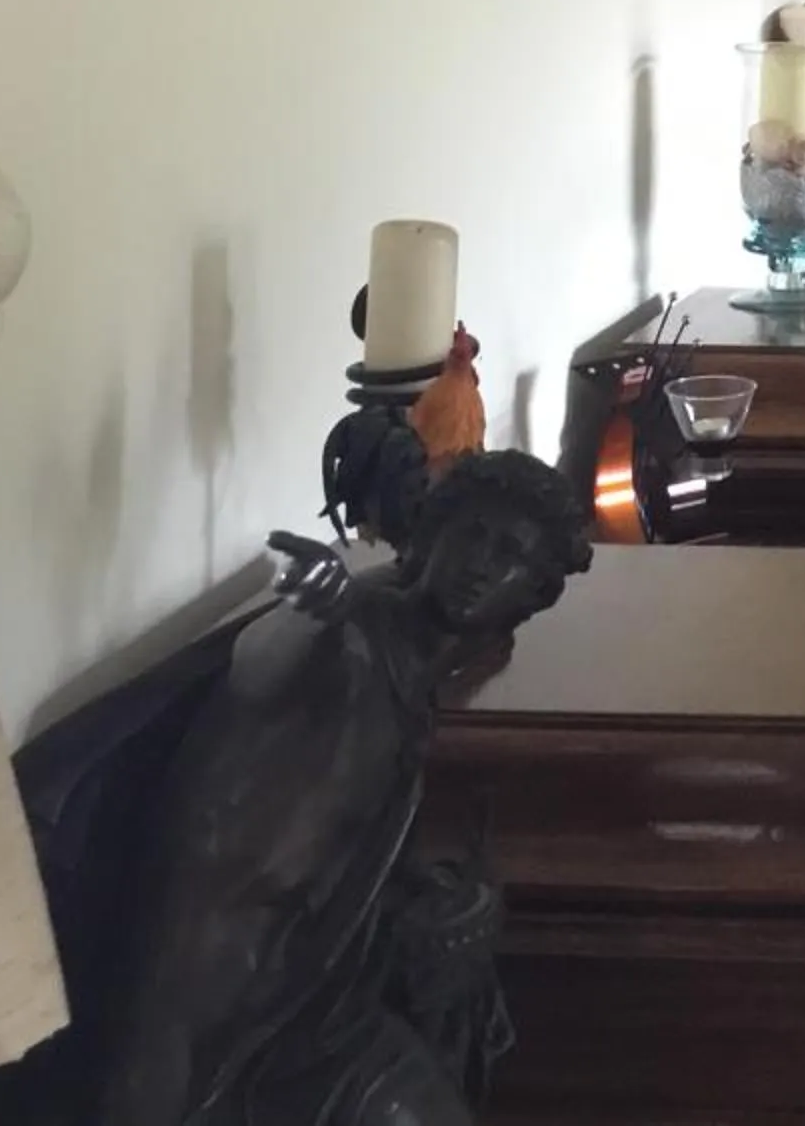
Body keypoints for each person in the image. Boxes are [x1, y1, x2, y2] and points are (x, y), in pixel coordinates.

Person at [96, 451, 595, 1126]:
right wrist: (311, 611)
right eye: (472, 533)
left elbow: (338, 840)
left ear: (530, 597)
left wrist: (426, 894)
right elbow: (263, 664)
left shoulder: (417, 673)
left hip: (321, 1006)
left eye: (509, 554)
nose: (482, 562)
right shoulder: (355, 638)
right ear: (428, 535)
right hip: (203, 1015)